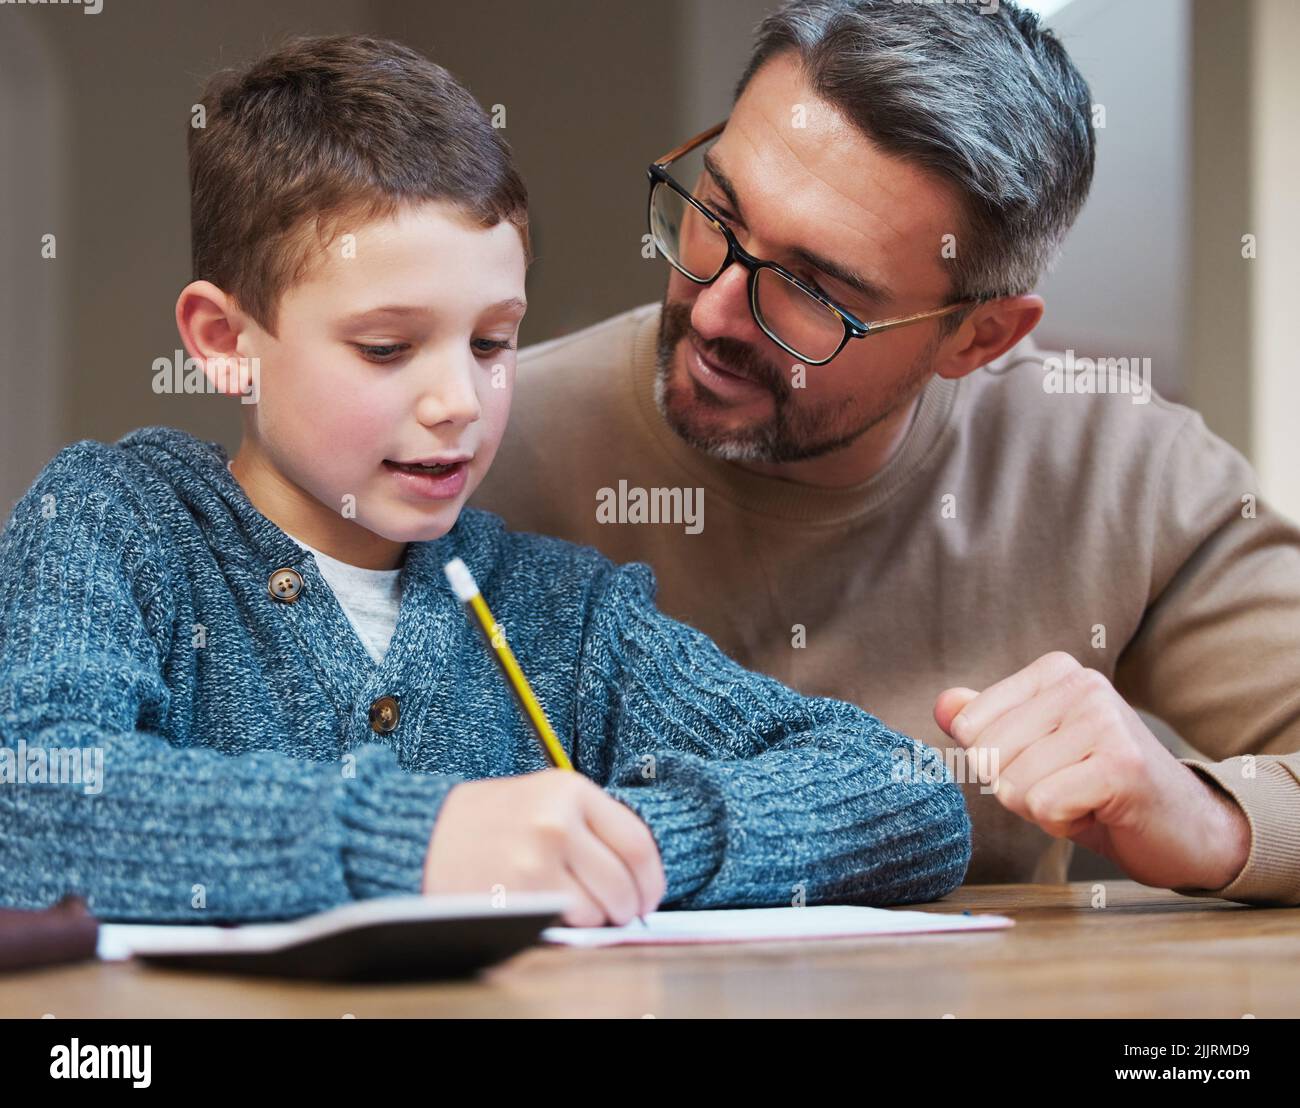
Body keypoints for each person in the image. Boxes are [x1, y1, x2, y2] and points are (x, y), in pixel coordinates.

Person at [0, 34, 970, 926]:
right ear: (225, 343)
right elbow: (30, 800)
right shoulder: (112, 523)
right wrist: (418, 841)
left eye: (493, 341)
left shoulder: (561, 614)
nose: (458, 399)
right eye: (387, 347)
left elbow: (903, 795)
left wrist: (629, 844)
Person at [473, 0, 1300, 905]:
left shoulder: (1123, 478)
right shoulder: (476, 449)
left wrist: (1214, 819)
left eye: (815, 290)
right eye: (716, 213)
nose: (712, 312)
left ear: (976, 338)